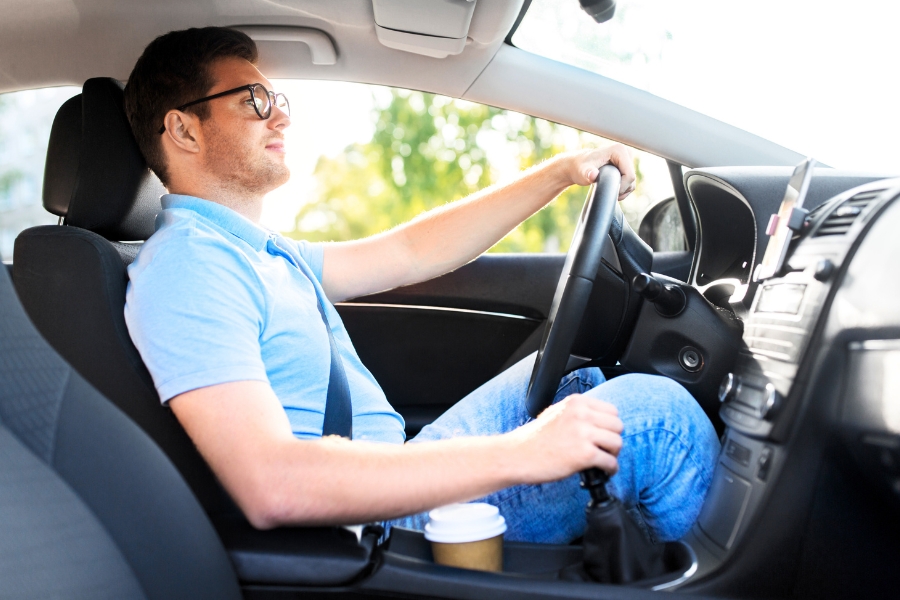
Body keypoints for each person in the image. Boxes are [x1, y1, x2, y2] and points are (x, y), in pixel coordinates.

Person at [123, 27, 719, 544]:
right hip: (370, 524)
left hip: (389, 471)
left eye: (277, 98)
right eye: (253, 100)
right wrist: (525, 452)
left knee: (581, 384)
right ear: (184, 130)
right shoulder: (188, 267)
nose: (280, 115)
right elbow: (272, 484)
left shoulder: (256, 252)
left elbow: (412, 252)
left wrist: (562, 172)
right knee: (655, 421)